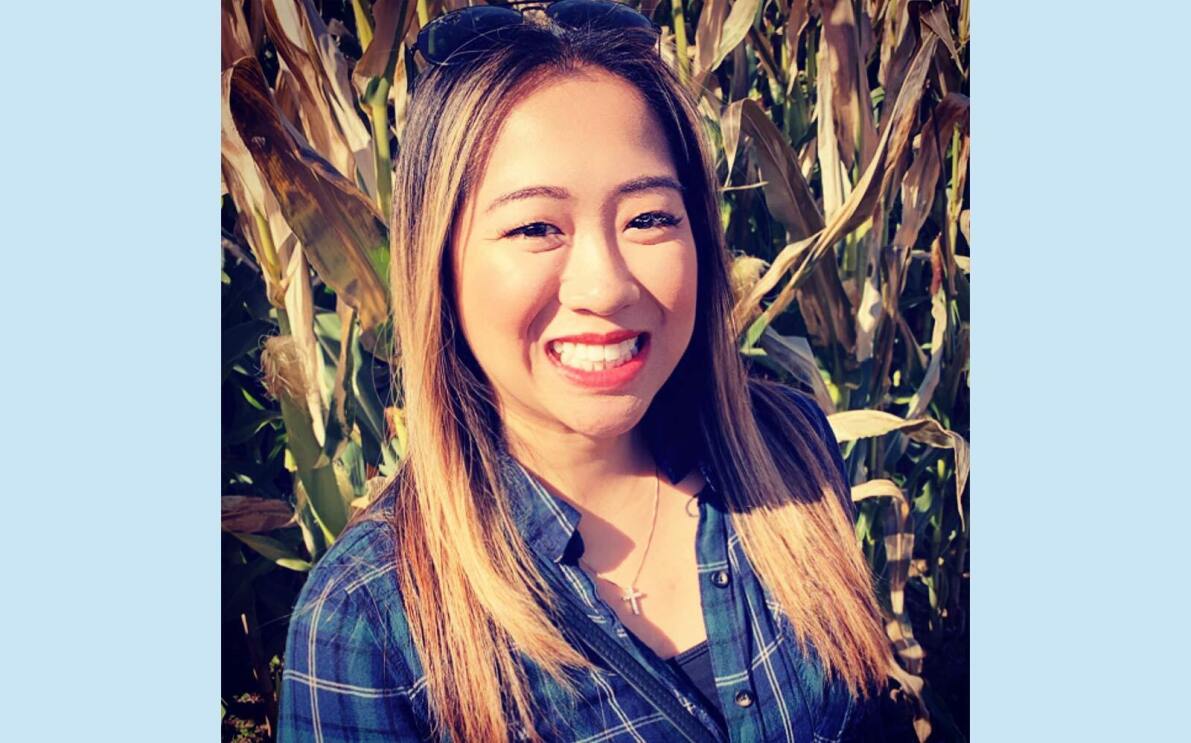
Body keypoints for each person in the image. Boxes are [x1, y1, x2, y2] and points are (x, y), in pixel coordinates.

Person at [279, 2, 906, 741]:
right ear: (439, 265)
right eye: (535, 227)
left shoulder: (789, 453)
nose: (605, 286)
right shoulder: (369, 621)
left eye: (647, 218)